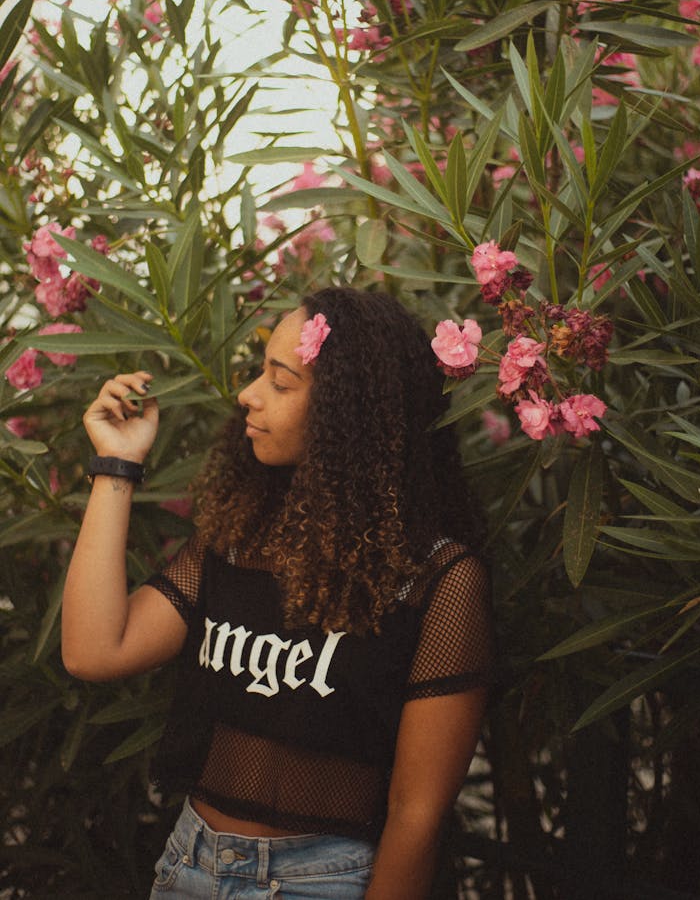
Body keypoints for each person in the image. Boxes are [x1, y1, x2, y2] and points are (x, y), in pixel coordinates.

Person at [62, 286, 492, 899]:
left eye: (281, 382)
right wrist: (117, 465)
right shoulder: (238, 542)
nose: (248, 395)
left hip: (321, 881)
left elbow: (416, 814)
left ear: (349, 414)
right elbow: (94, 650)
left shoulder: (436, 579)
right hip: (187, 865)